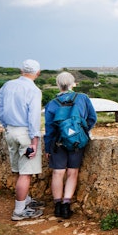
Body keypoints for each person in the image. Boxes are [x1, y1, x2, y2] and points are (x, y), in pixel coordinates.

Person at [0, 59, 45, 221]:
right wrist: (34, 141)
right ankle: (19, 211)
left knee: (18, 169)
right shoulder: (34, 90)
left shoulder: (7, 85)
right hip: (25, 133)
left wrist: (6, 125)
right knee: (26, 173)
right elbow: (33, 116)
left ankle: (25, 200)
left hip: (10, 130)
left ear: (21, 70)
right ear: (38, 73)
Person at [44, 71, 97, 219]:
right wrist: (81, 133)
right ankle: (67, 206)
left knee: (58, 173)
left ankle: (57, 206)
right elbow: (92, 118)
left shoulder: (52, 104)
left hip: (58, 141)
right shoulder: (83, 98)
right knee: (72, 172)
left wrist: (48, 147)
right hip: (77, 141)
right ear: (73, 83)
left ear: (58, 84)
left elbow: (49, 128)